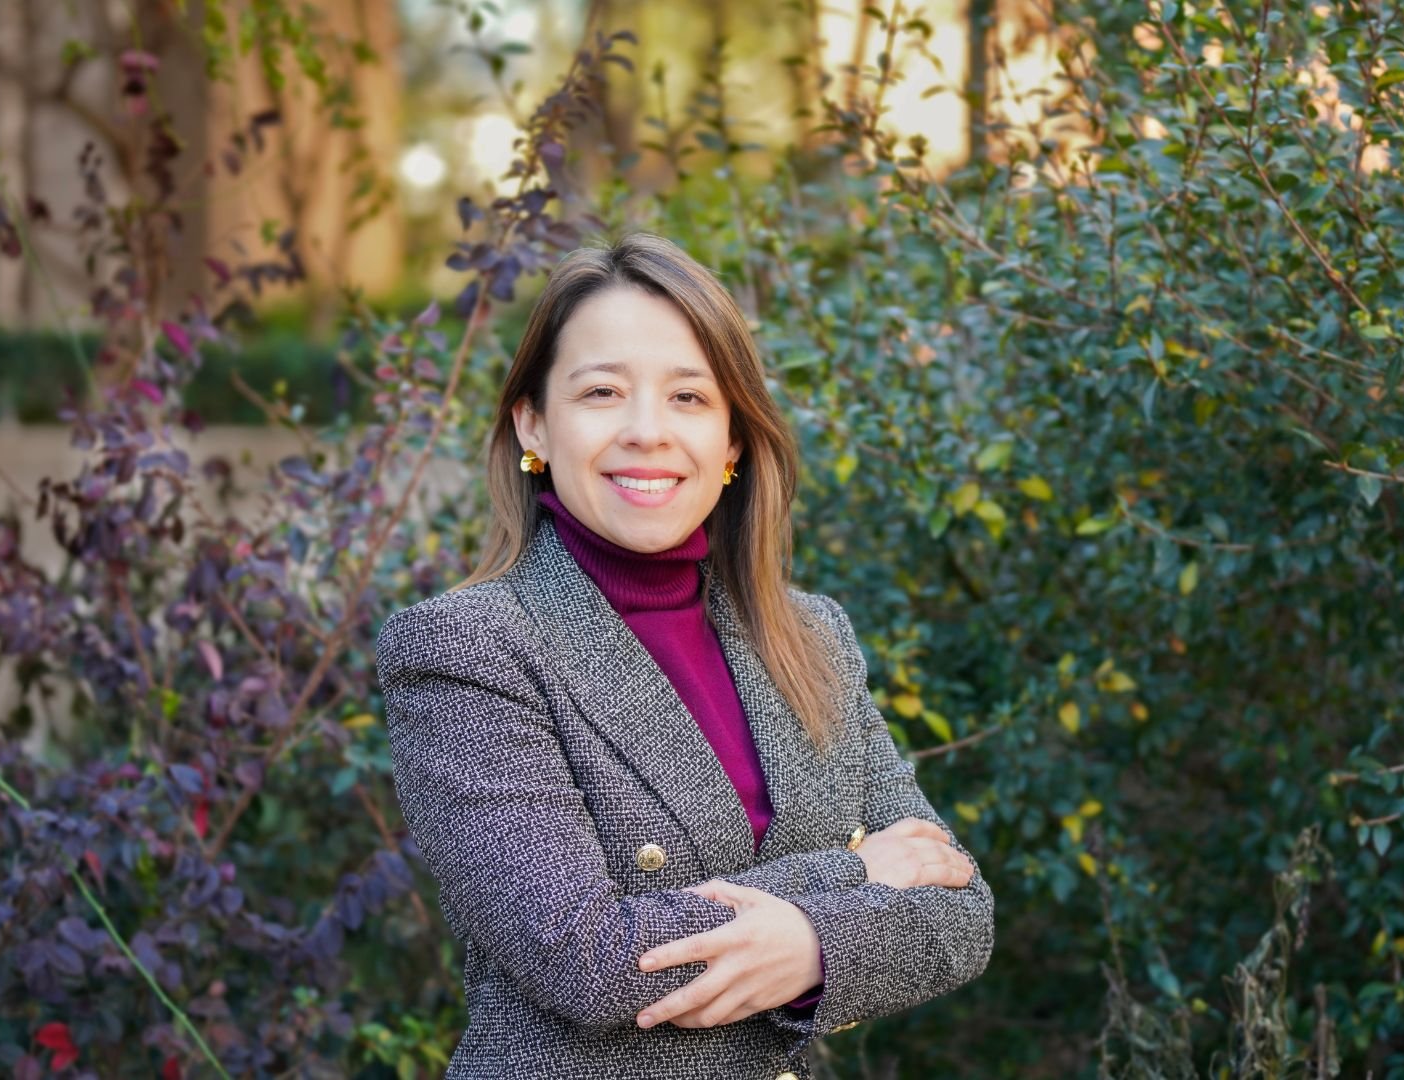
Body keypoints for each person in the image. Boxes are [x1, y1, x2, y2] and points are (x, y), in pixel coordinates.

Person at [374, 233, 993, 1079]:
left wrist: (808, 943)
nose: (646, 432)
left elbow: (961, 913)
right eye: (601, 392)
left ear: (734, 436)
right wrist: (854, 876)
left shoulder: (809, 639)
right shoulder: (468, 649)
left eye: (689, 397)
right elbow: (584, 960)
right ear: (533, 423)